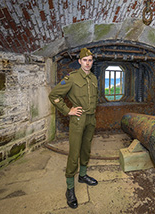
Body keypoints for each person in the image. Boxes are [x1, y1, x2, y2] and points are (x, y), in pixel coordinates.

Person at [48, 48, 98, 209]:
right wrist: (68, 110)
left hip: (91, 118)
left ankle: (82, 176)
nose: (88, 63)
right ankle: (70, 188)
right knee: (74, 152)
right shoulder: (72, 78)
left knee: (86, 149)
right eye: (85, 60)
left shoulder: (94, 78)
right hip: (78, 119)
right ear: (79, 61)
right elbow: (54, 95)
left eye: (90, 60)